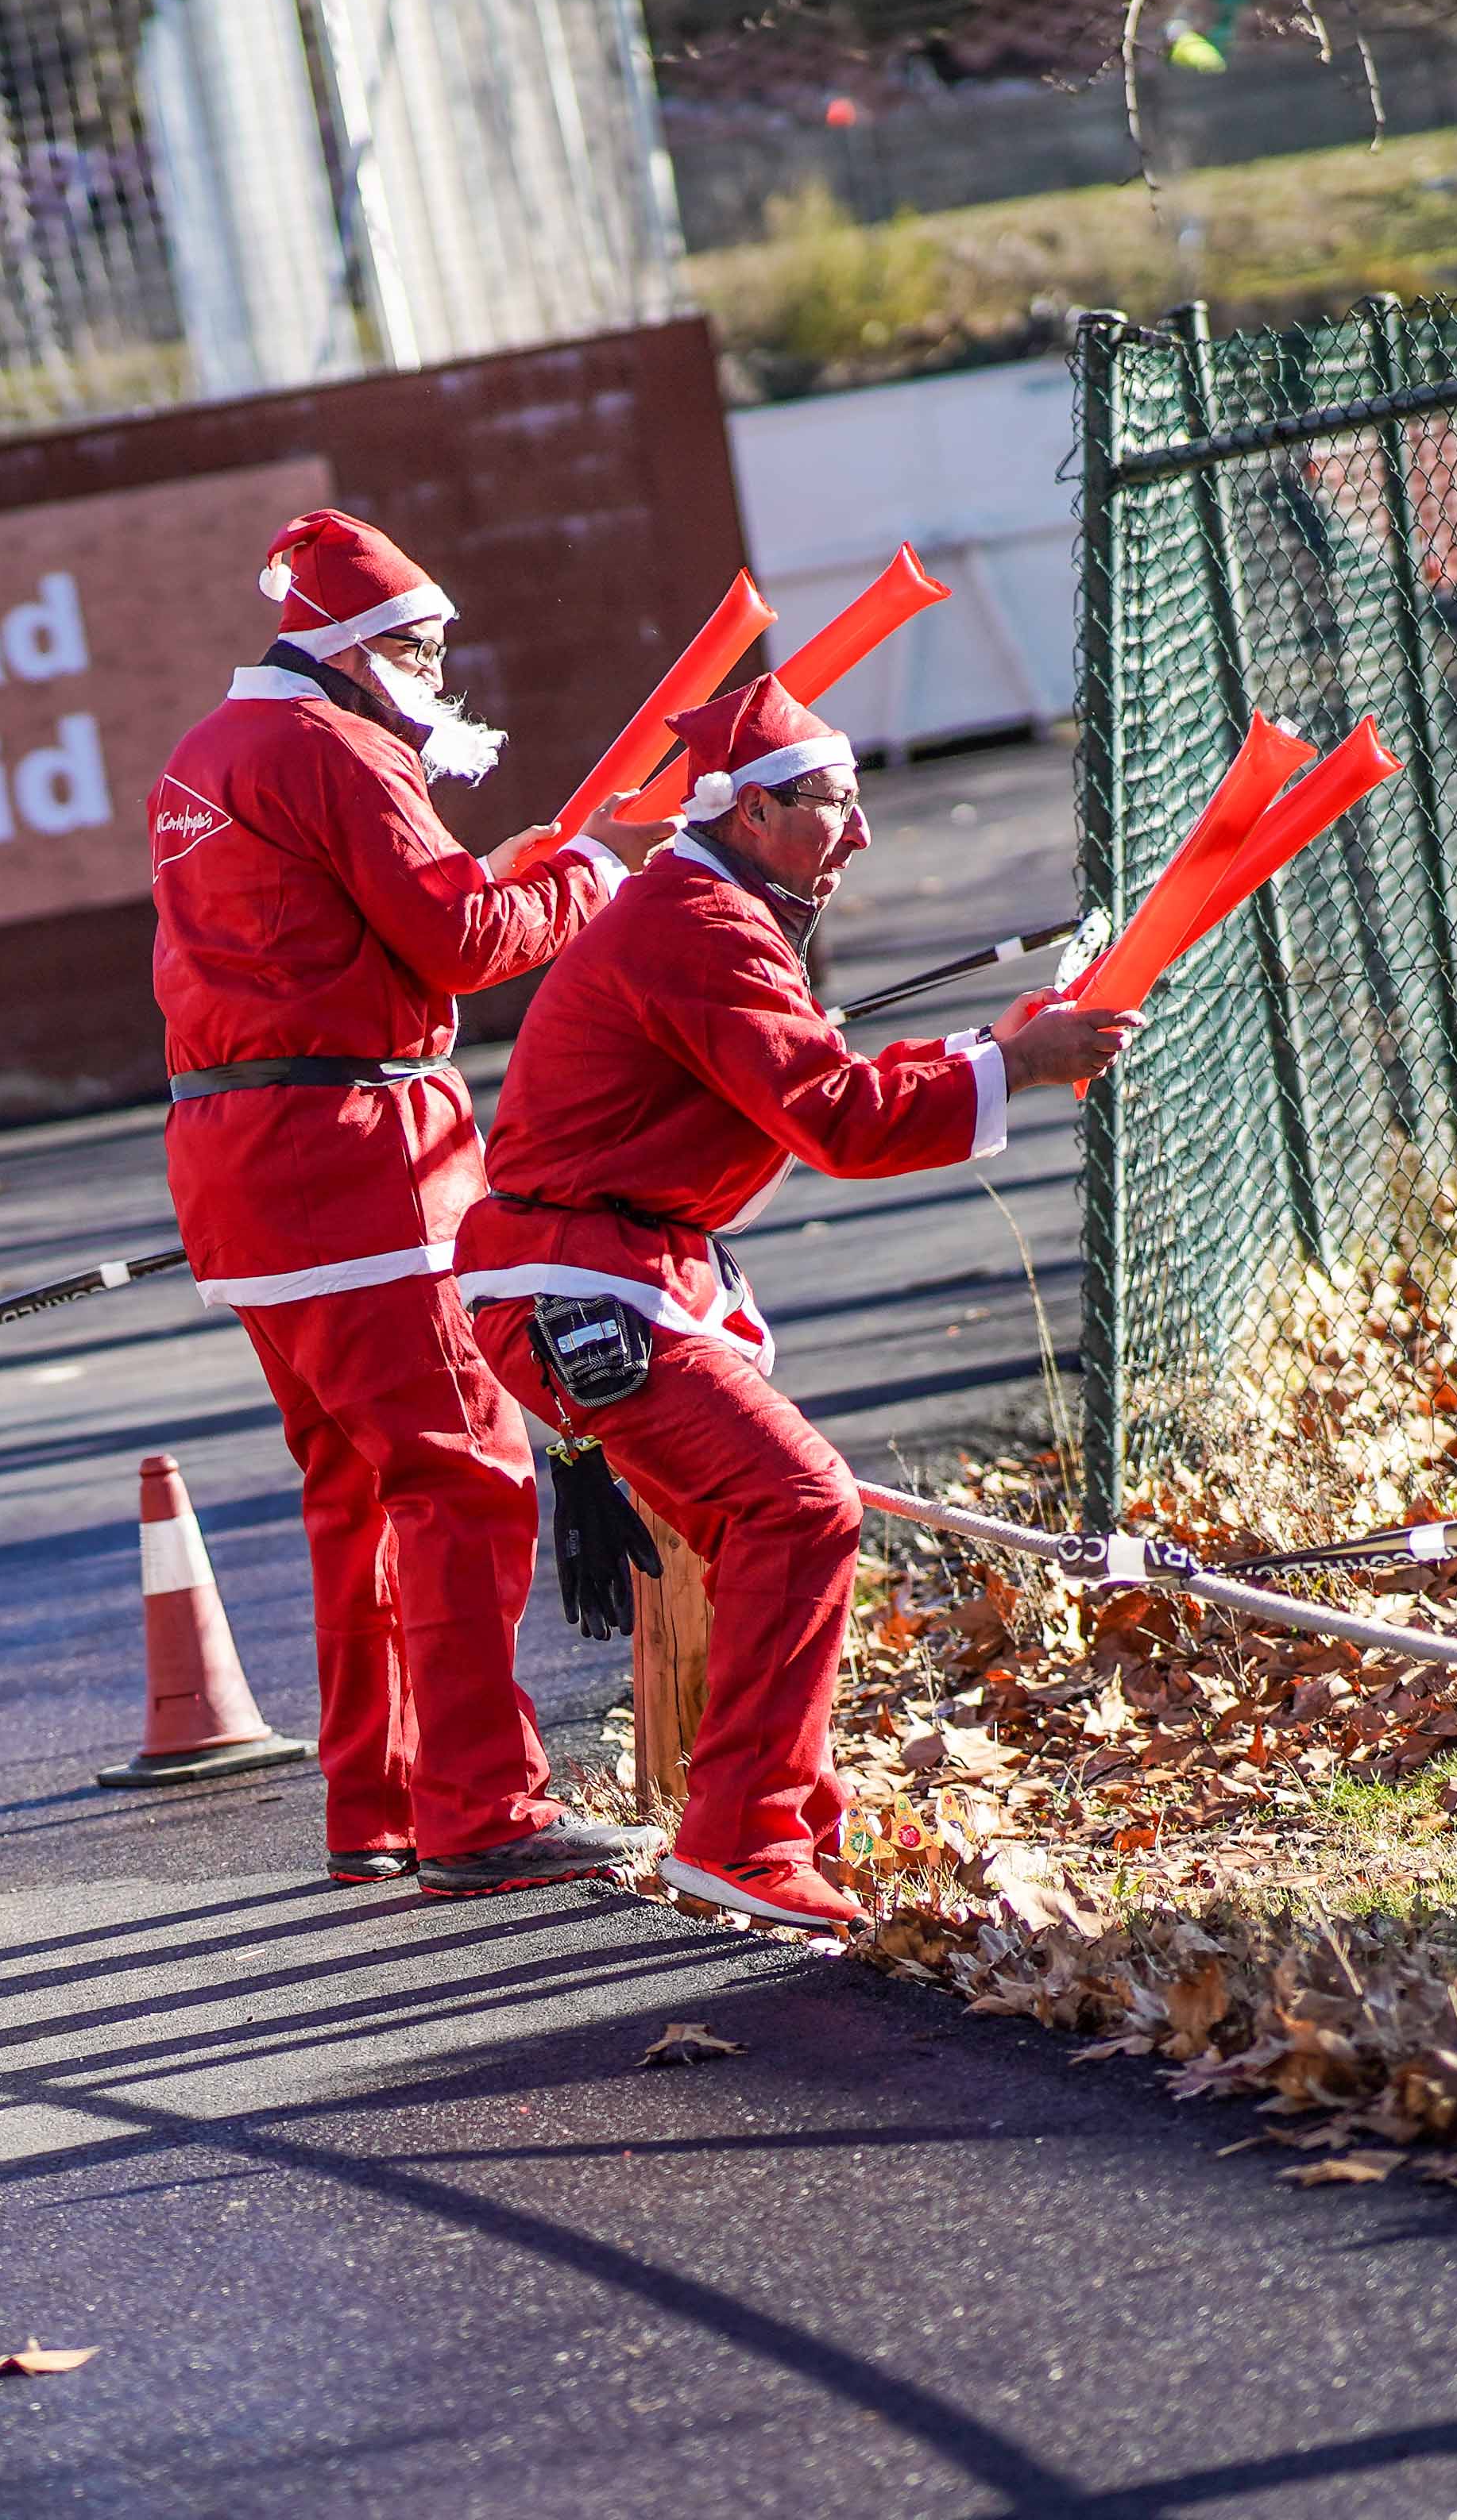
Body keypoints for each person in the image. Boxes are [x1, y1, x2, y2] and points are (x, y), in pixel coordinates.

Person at [456, 674, 1136, 1935]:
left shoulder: (712, 908)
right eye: (835, 801)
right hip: (586, 1289)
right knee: (799, 1506)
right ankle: (744, 1840)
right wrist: (1018, 1067)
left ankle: (783, 1827)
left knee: (775, 1519)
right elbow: (834, 1120)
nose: (863, 830)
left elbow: (814, 1082)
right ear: (754, 812)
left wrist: (994, 1050)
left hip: (610, 1280)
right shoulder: (704, 923)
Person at [147, 504, 663, 1894]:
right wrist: (593, 880)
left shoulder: (214, 750)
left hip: (241, 1171)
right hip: (362, 1159)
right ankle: (484, 1811)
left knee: (353, 1494)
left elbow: (344, 928)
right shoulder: (342, 748)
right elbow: (454, 941)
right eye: (426, 651)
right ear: (358, 648)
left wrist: (525, 867)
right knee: (461, 1476)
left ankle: (372, 1805)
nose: (443, 676)